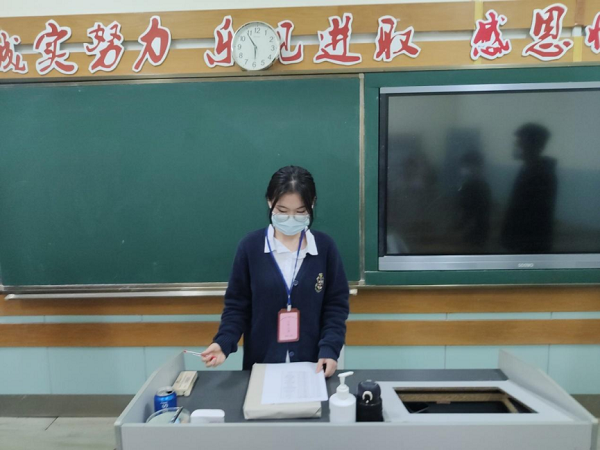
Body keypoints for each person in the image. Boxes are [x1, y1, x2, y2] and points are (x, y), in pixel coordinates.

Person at [201, 165, 350, 377]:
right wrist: (223, 342)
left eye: (300, 211)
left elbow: (335, 306)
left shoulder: (325, 248)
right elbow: (237, 306)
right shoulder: (250, 247)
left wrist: (330, 348)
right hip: (262, 365)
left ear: (312, 203)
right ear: (270, 202)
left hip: (313, 367)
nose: (291, 218)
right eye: (282, 211)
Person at [501, 123, 558, 253]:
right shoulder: (528, 169)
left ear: (531, 146)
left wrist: (515, 243)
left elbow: (532, 217)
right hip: (521, 244)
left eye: (519, 143)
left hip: (529, 247)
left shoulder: (542, 174)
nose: (516, 146)